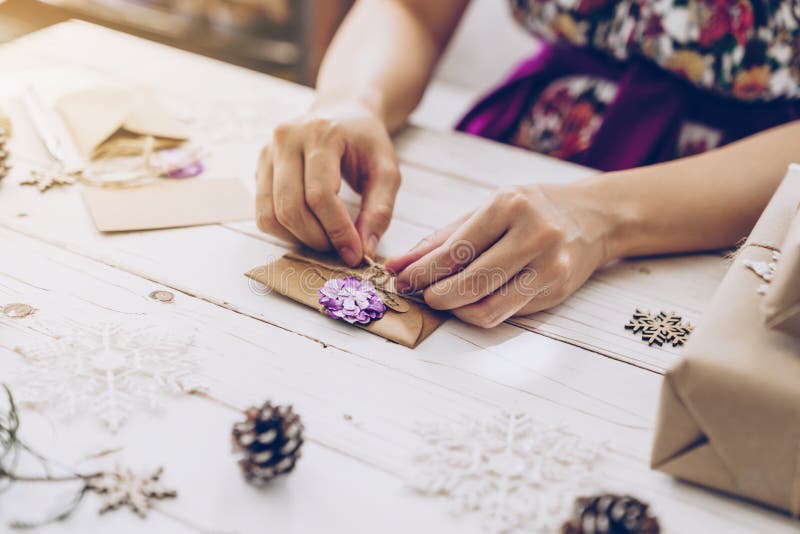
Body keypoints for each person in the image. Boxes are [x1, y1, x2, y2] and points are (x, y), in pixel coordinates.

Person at [254, 0, 800, 328]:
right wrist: (352, 99)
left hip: (740, 199)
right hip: (513, 148)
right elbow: (413, 10)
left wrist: (606, 218)